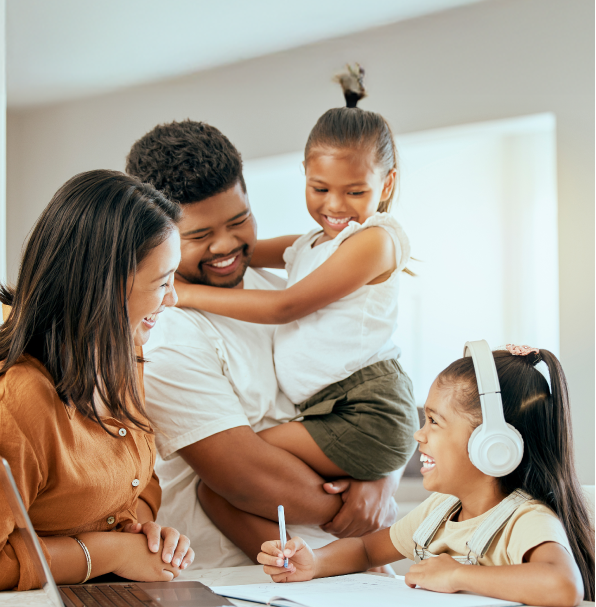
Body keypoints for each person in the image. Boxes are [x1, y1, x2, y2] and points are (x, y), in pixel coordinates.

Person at [126, 120, 402, 568]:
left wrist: (381, 478)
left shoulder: (274, 285)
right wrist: (357, 511)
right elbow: (243, 476)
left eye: (239, 221)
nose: (226, 245)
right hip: (239, 582)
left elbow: (369, 379)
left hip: (345, 570)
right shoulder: (164, 333)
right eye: (198, 236)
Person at [174, 65, 418, 548]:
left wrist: (178, 293)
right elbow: (240, 251)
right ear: (304, 176)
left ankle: (325, 557)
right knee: (221, 490)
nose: (335, 206)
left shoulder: (376, 241)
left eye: (356, 192)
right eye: (320, 189)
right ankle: (298, 564)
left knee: (239, 474)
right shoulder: (311, 244)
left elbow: (286, 306)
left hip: (364, 407)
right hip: (330, 409)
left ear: (387, 185)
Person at [0, 170, 194, 592]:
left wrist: (142, 533)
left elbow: (139, 483)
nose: (173, 298)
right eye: (162, 282)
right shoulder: (6, 405)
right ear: (105, 285)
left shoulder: (121, 351)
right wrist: (107, 553)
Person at [258, 345, 595, 607]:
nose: (419, 435)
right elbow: (365, 549)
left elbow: (563, 585)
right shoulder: (441, 510)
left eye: (434, 421)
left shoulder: (525, 519)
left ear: (492, 445)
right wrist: (314, 562)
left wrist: (459, 574)